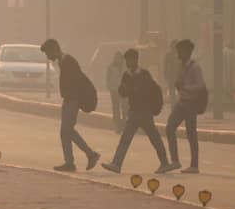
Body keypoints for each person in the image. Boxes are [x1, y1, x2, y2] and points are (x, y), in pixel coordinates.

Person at [102, 49, 178, 174]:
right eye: (127, 60)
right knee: (126, 139)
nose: (127, 62)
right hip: (133, 112)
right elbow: (122, 91)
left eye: (130, 59)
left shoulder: (144, 74)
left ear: (135, 60)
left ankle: (164, 163)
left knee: (154, 138)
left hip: (144, 112)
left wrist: (132, 90)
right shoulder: (126, 75)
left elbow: (146, 91)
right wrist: (128, 90)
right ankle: (117, 163)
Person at [41, 39, 100, 172]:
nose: (48, 57)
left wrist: (71, 99)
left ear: (54, 50)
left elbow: (76, 82)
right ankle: (70, 162)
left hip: (73, 100)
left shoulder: (68, 62)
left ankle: (90, 154)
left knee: (67, 130)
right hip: (69, 100)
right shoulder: (64, 61)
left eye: (48, 53)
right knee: (64, 132)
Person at [166, 39, 206, 173]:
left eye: (180, 50)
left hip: (191, 103)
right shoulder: (181, 66)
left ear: (187, 51)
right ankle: (175, 160)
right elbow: (179, 82)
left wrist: (186, 87)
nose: (178, 53)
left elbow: (200, 85)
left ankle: (194, 166)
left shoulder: (195, 67)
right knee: (170, 127)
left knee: (191, 133)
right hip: (182, 102)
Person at [106, 51, 127, 133]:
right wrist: (110, 87)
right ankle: (117, 126)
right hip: (114, 90)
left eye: (119, 58)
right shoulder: (111, 67)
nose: (118, 60)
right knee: (116, 108)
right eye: (116, 58)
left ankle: (124, 124)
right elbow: (107, 78)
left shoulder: (125, 67)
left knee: (125, 108)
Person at [162, 40, 180, 106]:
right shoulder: (168, 55)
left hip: (178, 77)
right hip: (171, 78)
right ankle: (173, 107)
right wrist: (166, 76)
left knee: (179, 94)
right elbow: (165, 67)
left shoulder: (180, 55)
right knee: (172, 94)